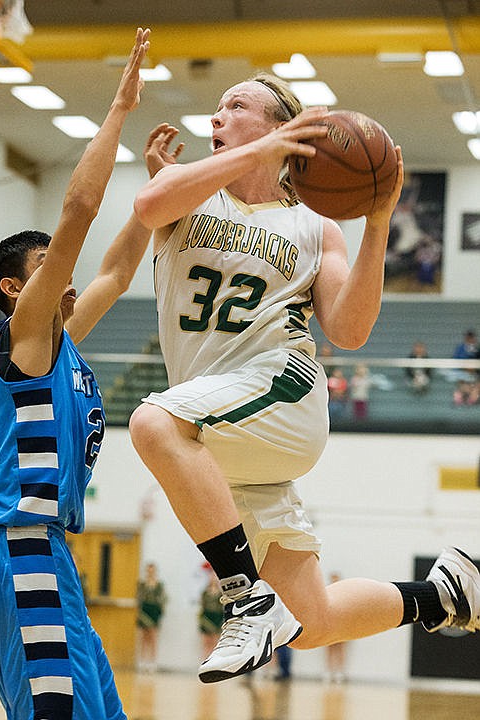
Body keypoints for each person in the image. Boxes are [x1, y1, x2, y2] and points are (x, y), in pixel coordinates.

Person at [129, 75, 480, 684]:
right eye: (215, 107)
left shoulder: (316, 227)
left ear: (281, 127)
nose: (216, 117)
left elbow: (348, 331)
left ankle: (246, 600)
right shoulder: (187, 194)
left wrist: (378, 222)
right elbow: (147, 207)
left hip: (280, 388)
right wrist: (250, 156)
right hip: (219, 428)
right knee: (312, 618)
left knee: (153, 421)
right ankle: (444, 596)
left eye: (234, 107)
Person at [0, 28, 151, 720]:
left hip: (46, 552)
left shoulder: (56, 346)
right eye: (48, 265)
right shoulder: (22, 341)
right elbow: (77, 210)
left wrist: (157, 192)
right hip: (16, 545)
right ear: (15, 290)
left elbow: (117, 270)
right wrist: (119, 110)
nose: (65, 272)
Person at [137, 562, 167, 672]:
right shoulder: (142, 584)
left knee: (153, 637)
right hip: (145, 610)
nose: (150, 573)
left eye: (152, 571)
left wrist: (160, 612)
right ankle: (142, 661)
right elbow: (138, 599)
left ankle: (152, 662)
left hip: (154, 611)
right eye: (148, 571)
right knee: (144, 637)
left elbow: (163, 600)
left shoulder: (159, 585)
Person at [198, 571, 224, 660]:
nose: (213, 579)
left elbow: (222, 607)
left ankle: (214, 660)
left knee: (215, 642)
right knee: (206, 642)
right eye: (211, 577)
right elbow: (202, 606)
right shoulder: (205, 593)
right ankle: (205, 660)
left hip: (217, 617)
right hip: (207, 617)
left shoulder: (221, 594)